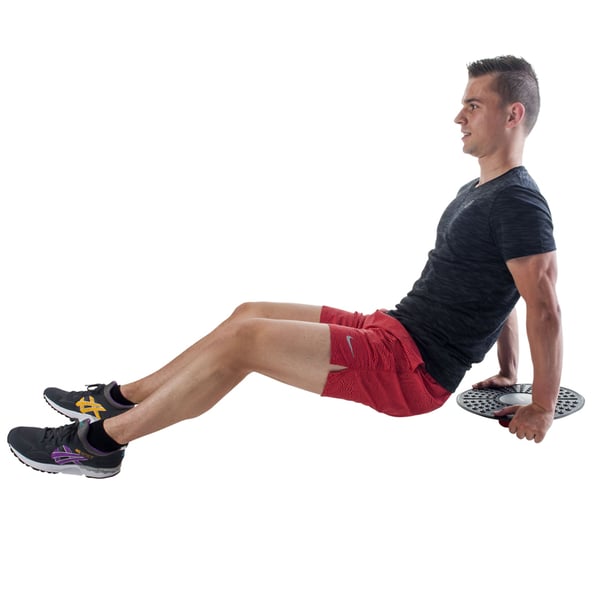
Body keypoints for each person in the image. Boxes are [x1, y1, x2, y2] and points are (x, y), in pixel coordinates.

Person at [7, 55, 562, 478]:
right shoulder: (480, 191)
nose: (458, 116)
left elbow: (545, 307)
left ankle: (98, 444)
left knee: (245, 342)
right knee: (248, 312)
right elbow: (504, 289)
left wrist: (540, 405)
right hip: (393, 329)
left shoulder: (517, 201)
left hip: (412, 370)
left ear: (512, 114)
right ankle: (121, 397)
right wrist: (508, 371)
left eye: (474, 105)